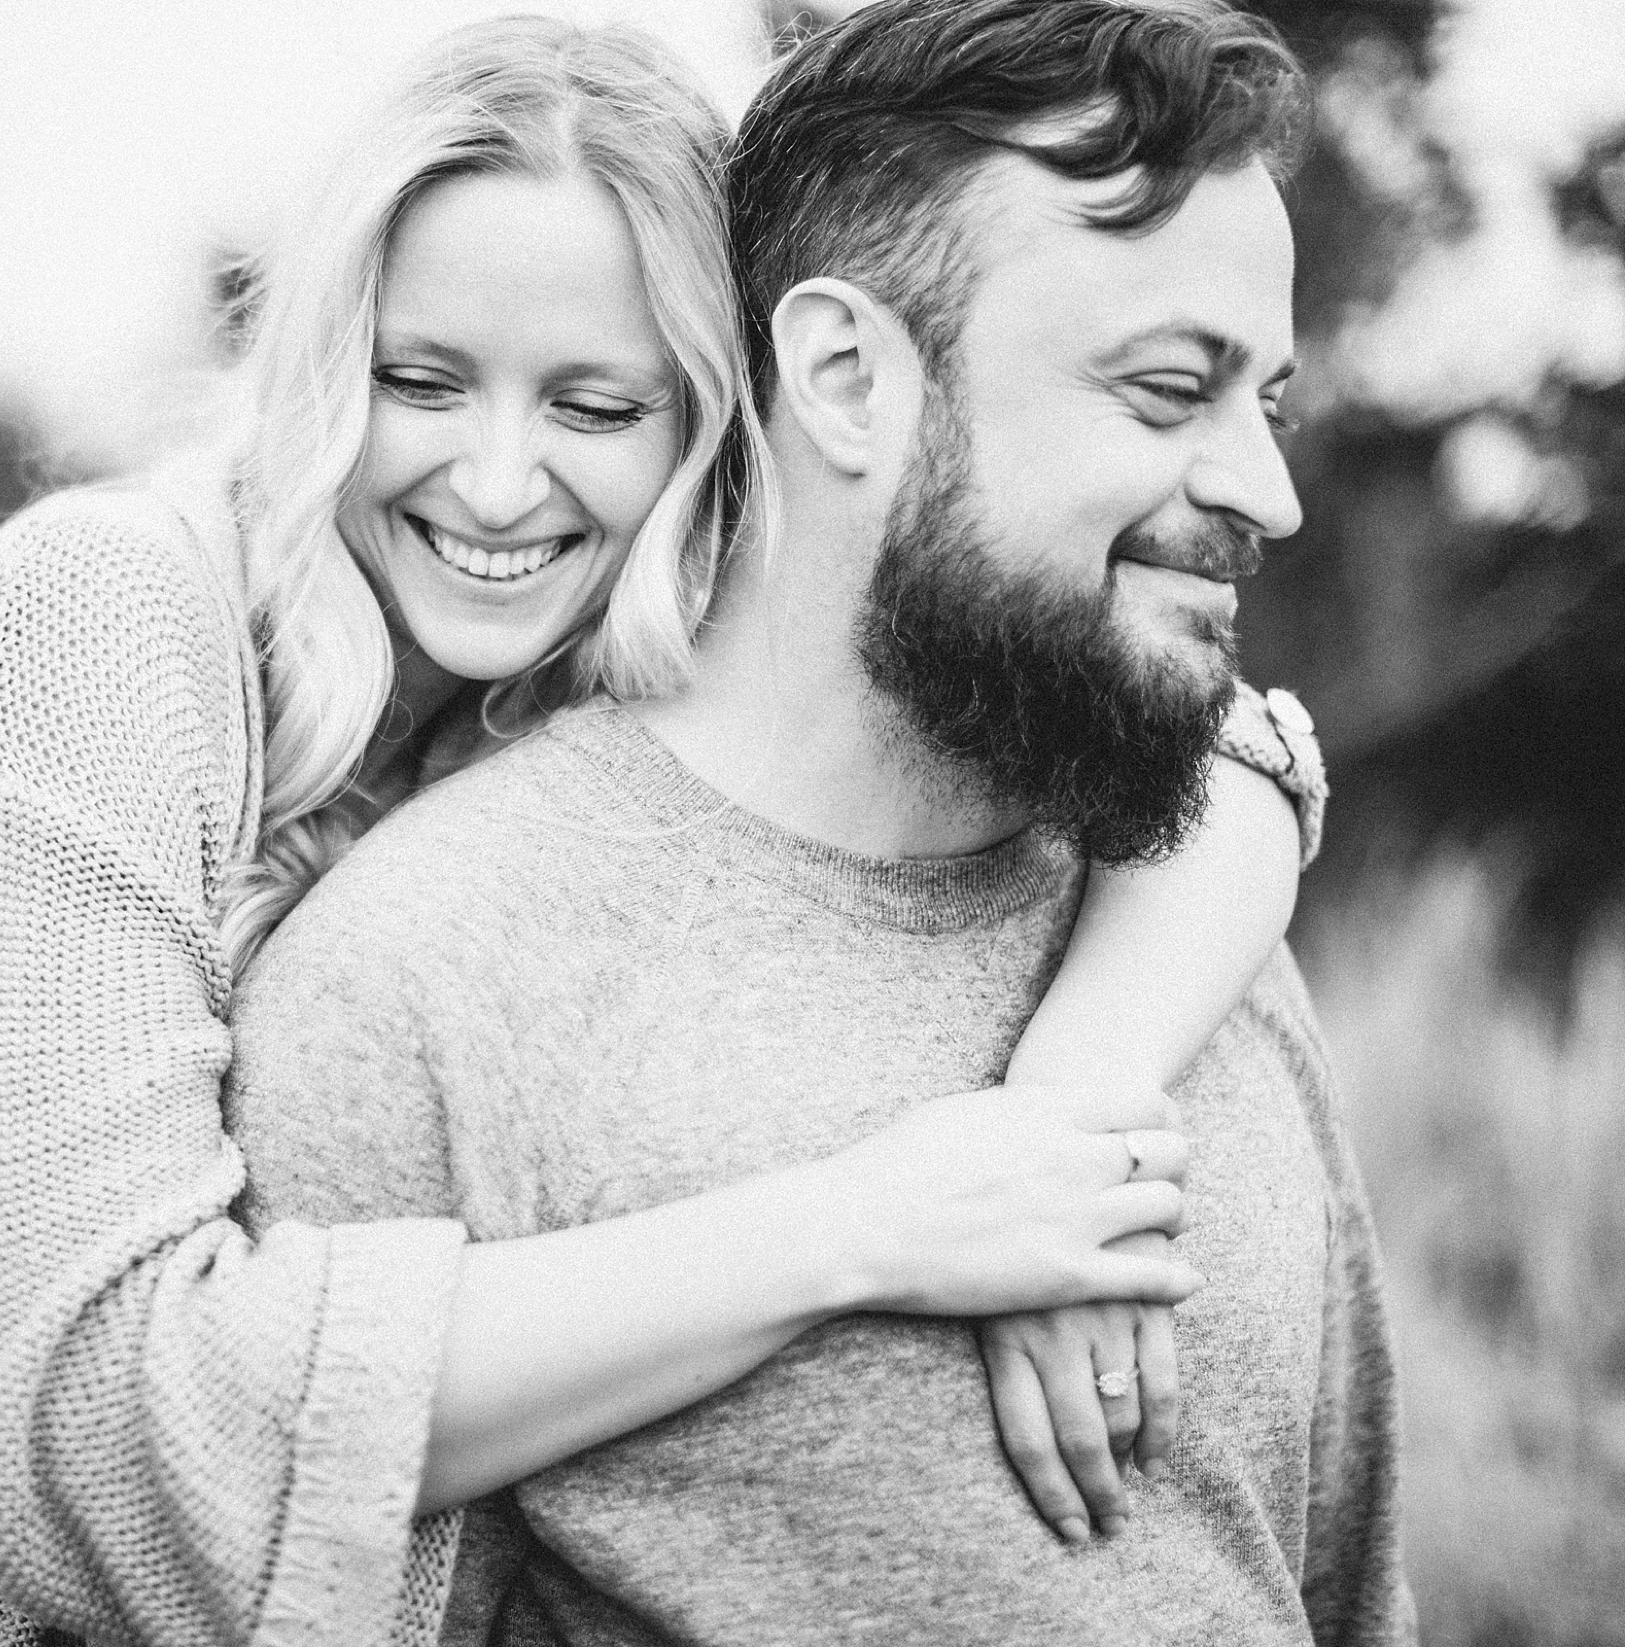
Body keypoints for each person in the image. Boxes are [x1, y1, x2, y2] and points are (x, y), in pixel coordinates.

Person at [0, 16, 1326, 1647]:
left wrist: (1076, 1103)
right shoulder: (99, 622)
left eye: (594, 410)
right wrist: (872, 1224)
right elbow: (97, 1429)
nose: (501, 485)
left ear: (717, 425)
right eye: (422, 382)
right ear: (320, 362)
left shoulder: (591, 667)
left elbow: (1239, 752)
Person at [225, 2, 1410, 1644]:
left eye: (1265, 402)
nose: (1266, 494)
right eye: (1166, 391)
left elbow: (1343, 1590)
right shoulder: (418, 985)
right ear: (847, 375)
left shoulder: (1189, 928)